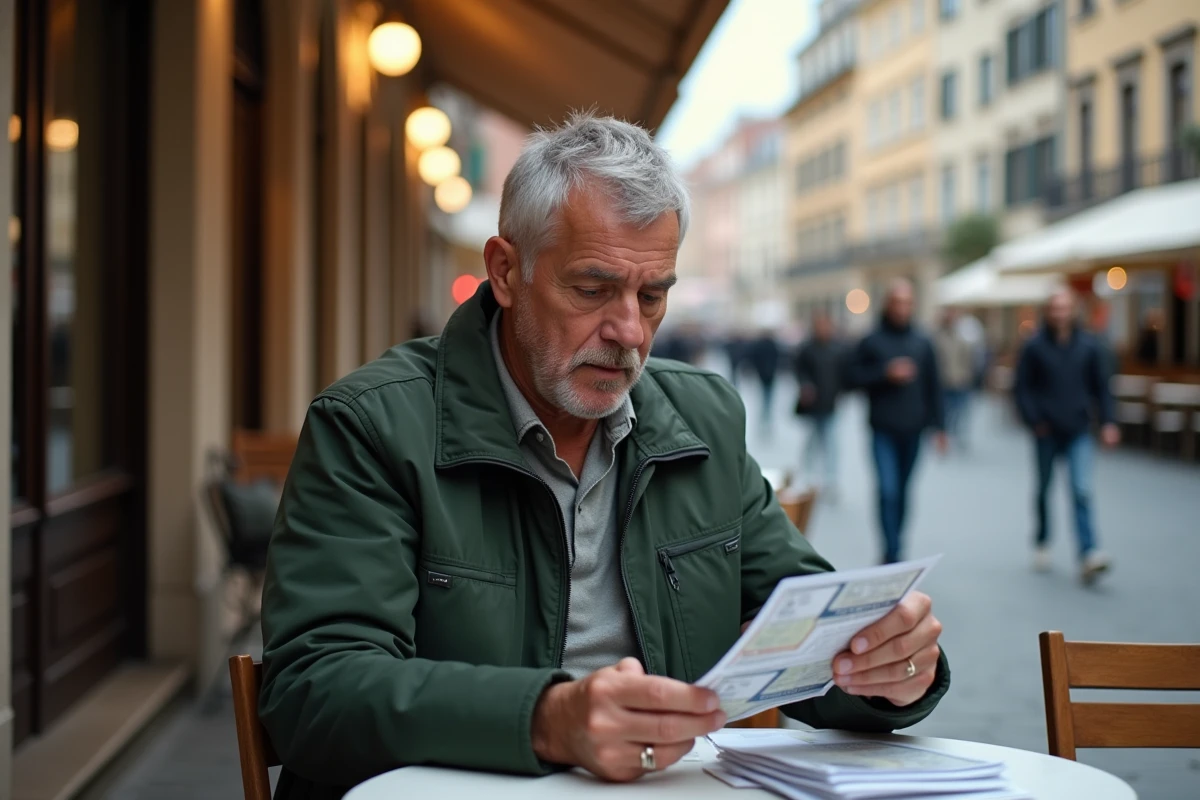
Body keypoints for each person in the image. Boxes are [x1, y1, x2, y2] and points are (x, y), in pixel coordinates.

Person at [258, 113, 950, 798]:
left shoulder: (702, 419)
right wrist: (545, 718)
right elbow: (314, 690)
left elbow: (803, 635)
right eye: (592, 290)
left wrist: (889, 672)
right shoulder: (373, 425)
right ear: (505, 271)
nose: (628, 332)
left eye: (652, 296)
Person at [1013, 290, 1118, 585]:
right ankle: (1043, 539)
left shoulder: (1088, 345)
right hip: (1046, 430)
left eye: (1065, 308)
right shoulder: (1034, 346)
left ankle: (1088, 552)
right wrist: (1034, 420)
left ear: (1073, 310)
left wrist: (1109, 422)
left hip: (1078, 429)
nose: (1060, 314)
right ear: (1047, 311)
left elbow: (1102, 387)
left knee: (1081, 489)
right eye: (1055, 308)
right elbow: (1022, 388)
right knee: (1044, 488)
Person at [845, 280, 947, 565]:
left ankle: (897, 541)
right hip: (882, 429)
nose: (902, 308)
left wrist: (941, 428)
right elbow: (851, 378)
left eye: (907, 302)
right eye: (897, 302)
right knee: (887, 489)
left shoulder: (922, 341)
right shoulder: (872, 340)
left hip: (914, 429)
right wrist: (884, 374)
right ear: (887, 304)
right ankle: (891, 550)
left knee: (902, 491)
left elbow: (934, 385)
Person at [793, 313, 843, 496]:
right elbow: (799, 371)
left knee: (831, 443)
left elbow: (843, 375)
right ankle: (807, 477)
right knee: (811, 442)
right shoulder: (807, 349)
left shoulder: (837, 349)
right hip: (812, 406)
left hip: (830, 404)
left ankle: (830, 480)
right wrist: (805, 386)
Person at [933, 308, 976, 450]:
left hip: (960, 381)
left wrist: (967, 375)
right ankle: (945, 434)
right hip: (944, 381)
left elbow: (968, 358)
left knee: (961, 411)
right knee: (946, 411)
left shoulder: (962, 336)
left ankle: (958, 436)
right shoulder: (937, 337)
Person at [746, 328, 781, 430]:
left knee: (765, 393)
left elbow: (753, 357)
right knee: (768, 394)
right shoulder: (773, 345)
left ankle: (765, 412)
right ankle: (767, 411)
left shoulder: (759, 345)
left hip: (762, 373)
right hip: (770, 373)